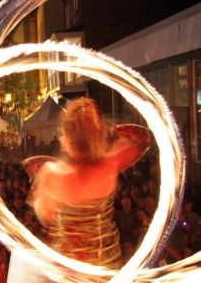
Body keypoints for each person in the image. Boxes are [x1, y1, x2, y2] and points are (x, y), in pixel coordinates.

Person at [23, 97, 151, 269]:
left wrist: (39, 189)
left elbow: (45, 216)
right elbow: (142, 139)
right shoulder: (108, 166)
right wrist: (113, 131)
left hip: (69, 272)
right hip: (104, 268)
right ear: (97, 135)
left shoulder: (52, 173)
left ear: (66, 136)